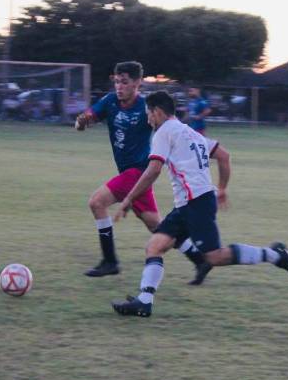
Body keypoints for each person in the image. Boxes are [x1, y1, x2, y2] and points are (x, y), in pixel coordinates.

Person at [110, 91, 288, 317]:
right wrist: (222, 188)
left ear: (157, 112)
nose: (148, 119)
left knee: (215, 257)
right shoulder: (191, 132)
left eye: (148, 114)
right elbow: (224, 156)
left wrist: (129, 198)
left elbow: (153, 170)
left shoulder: (164, 132)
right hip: (189, 204)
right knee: (155, 246)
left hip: (195, 203)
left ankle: (275, 255)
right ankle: (144, 302)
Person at [75, 62, 212, 285]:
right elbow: (88, 117)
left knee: (96, 202)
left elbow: (169, 128)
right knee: (156, 226)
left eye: (125, 82)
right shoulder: (110, 101)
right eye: (117, 81)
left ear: (138, 83)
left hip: (137, 172)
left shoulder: (146, 107)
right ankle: (200, 260)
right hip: (136, 177)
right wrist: (81, 121)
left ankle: (110, 261)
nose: (119, 86)